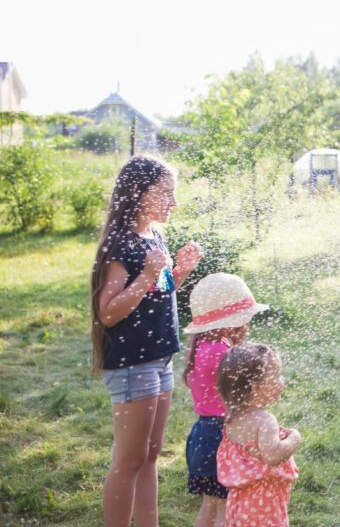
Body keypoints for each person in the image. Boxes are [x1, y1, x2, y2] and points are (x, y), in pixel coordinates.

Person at [90, 155, 204, 527]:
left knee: (151, 454)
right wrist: (148, 274)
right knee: (130, 459)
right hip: (131, 364)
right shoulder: (120, 244)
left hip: (159, 359)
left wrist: (178, 272)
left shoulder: (154, 236)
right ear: (139, 194)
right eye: (167, 193)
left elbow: (160, 290)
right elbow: (108, 311)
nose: (174, 202)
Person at [182, 273, 271, 527]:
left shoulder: (198, 347)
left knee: (209, 505)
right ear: (227, 322)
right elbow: (244, 396)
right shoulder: (223, 353)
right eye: (242, 321)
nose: (245, 327)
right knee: (226, 510)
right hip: (222, 436)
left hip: (201, 434)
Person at [216, 343, 301, 527]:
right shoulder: (265, 420)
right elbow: (272, 455)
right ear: (255, 387)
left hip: (239, 502)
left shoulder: (232, 418)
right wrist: (294, 438)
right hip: (264, 504)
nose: (282, 381)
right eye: (277, 376)